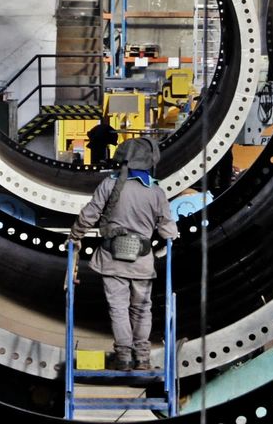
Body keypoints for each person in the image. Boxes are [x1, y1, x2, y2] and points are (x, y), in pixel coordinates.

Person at [70, 137, 178, 371]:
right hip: (142, 262)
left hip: (111, 260)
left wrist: (74, 237)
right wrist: (164, 243)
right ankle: (142, 358)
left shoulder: (108, 185)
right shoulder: (156, 191)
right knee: (141, 309)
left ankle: (123, 357)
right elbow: (168, 230)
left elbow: (89, 215)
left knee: (118, 308)